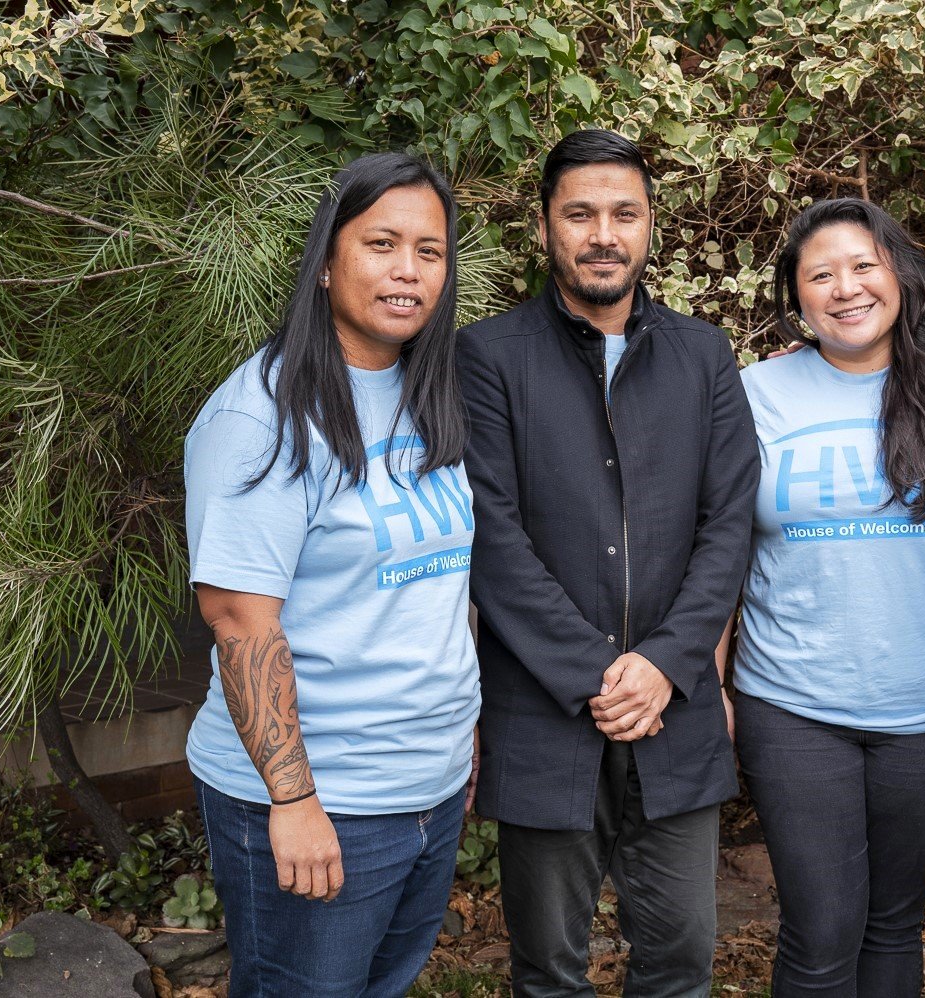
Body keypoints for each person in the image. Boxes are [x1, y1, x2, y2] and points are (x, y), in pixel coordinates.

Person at [456, 128, 758, 998]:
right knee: (547, 968)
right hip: (544, 711)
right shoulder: (489, 357)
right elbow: (492, 535)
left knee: (680, 958)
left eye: (623, 213)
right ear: (546, 227)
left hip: (678, 711)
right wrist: (598, 672)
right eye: (580, 213)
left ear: (650, 226)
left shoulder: (703, 356)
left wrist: (665, 665)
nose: (602, 233)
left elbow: (728, 522)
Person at [183, 153, 481, 997]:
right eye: (381, 243)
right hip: (323, 799)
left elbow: (436, 586)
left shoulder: (425, 391)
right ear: (325, 262)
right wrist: (293, 800)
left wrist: (455, 740)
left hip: (423, 782)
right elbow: (240, 620)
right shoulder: (264, 415)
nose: (407, 270)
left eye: (430, 251)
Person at [724, 198, 925, 997]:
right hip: (794, 705)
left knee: (894, 927)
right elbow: (716, 549)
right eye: (820, 275)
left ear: (900, 277)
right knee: (819, 933)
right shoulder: (753, 393)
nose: (845, 289)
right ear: (797, 297)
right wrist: (709, 684)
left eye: (862, 266)